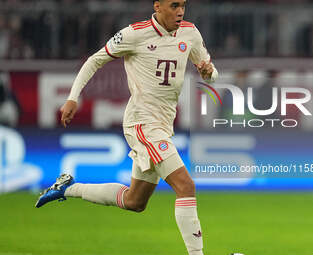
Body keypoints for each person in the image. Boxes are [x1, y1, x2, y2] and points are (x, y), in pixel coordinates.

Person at [35, 1, 218, 255]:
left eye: (183, 5)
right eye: (174, 5)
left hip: (163, 125)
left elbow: (210, 74)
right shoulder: (135, 33)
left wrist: (209, 72)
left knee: (135, 201)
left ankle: (67, 187)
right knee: (185, 186)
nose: (180, 11)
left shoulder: (190, 33)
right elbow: (94, 60)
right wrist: (73, 97)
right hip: (142, 124)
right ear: (158, 6)